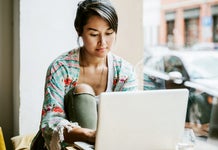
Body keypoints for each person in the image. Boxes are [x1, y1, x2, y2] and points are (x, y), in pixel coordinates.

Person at [30, 0, 138, 149]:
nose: (103, 42)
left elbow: (129, 119)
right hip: (58, 146)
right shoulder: (61, 68)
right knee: (83, 91)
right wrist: (89, 135)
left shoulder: (125, 72)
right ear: (79, 30)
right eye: (94, 34)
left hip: (106, 145)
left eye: (109, 33)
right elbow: (50, 124)